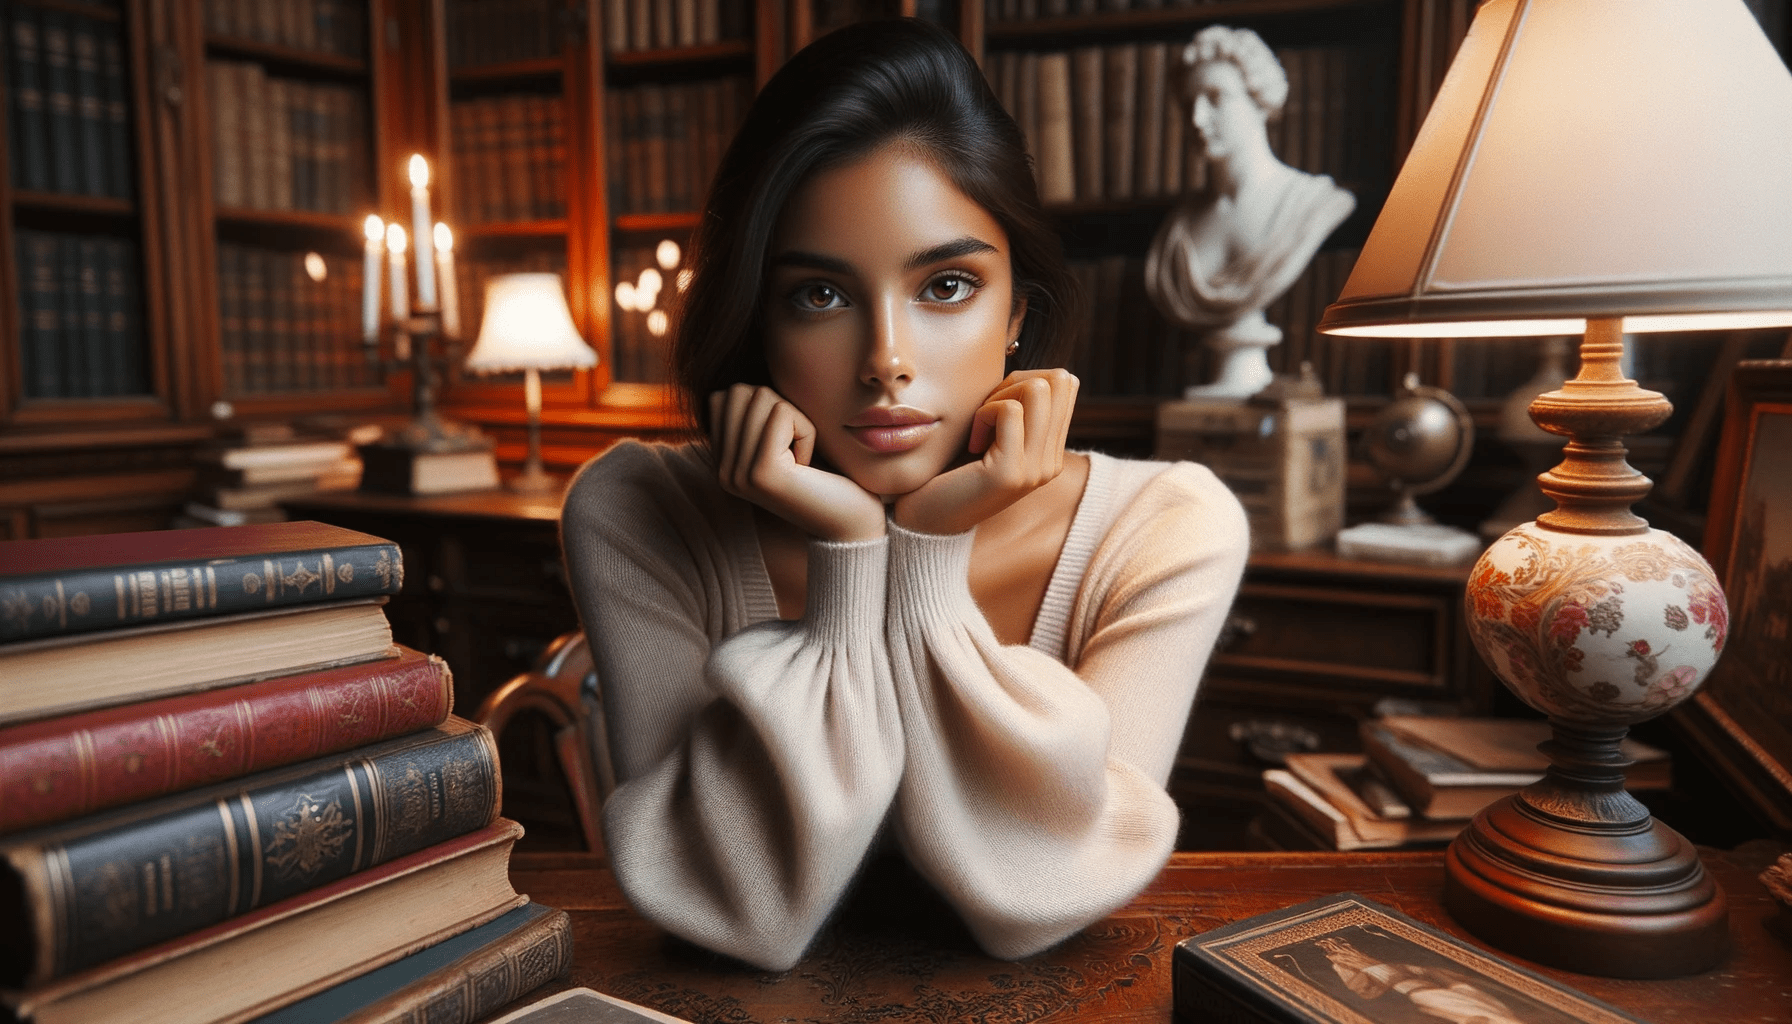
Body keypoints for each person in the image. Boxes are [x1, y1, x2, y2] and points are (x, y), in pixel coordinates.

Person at [560, 20, 1250, 972]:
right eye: (820, 296)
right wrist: (854, 554)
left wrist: (924, 555)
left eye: (947, 284)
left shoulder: (1166, 527)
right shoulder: (638, 510)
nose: (886, 362)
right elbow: (721, 904)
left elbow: (1050, 895)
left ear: (1017, 313)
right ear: (757, 317)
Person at [1144, 25, 1355, 397]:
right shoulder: (1179, 228)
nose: (1197, 119)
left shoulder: (1312, 204)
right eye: (1189, 102)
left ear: (1259, 101)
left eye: (1216, 97)